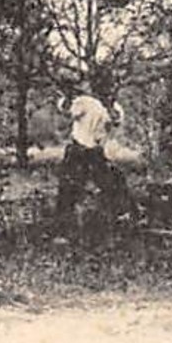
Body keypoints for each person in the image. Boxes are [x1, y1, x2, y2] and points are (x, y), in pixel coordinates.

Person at [54, 81, 134, 233]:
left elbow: (66, 111)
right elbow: (68, 110)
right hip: (85, 151)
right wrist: (67, 98)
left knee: (108, 182)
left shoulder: (91, 103)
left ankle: (114, 218)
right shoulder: (93, 104)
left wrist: (66, 98)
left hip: (88, 152)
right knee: (73, 186)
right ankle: (65, 225)